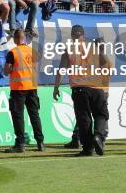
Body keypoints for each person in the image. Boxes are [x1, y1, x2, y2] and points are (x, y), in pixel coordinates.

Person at [54, 25, 109, 156]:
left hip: (79, 89)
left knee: (84, 119)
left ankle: (88, 149)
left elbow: (61, 70)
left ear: (72, 35)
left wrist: (56, 88)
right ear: (83, 35)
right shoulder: (94, 47)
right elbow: (104, 65)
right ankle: (99, 136)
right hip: (97, 87)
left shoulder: (69, 50)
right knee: (101, 114)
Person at [4, 29, 45, 153]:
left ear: (15, 39)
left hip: (19, 88)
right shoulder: (33, 51)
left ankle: (20, 144)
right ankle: (40, 142)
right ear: (24, 38)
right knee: (34, 115)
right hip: (32, 87)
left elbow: (7, 71)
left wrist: (5, 68)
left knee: (18, 116)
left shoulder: (13, 52)